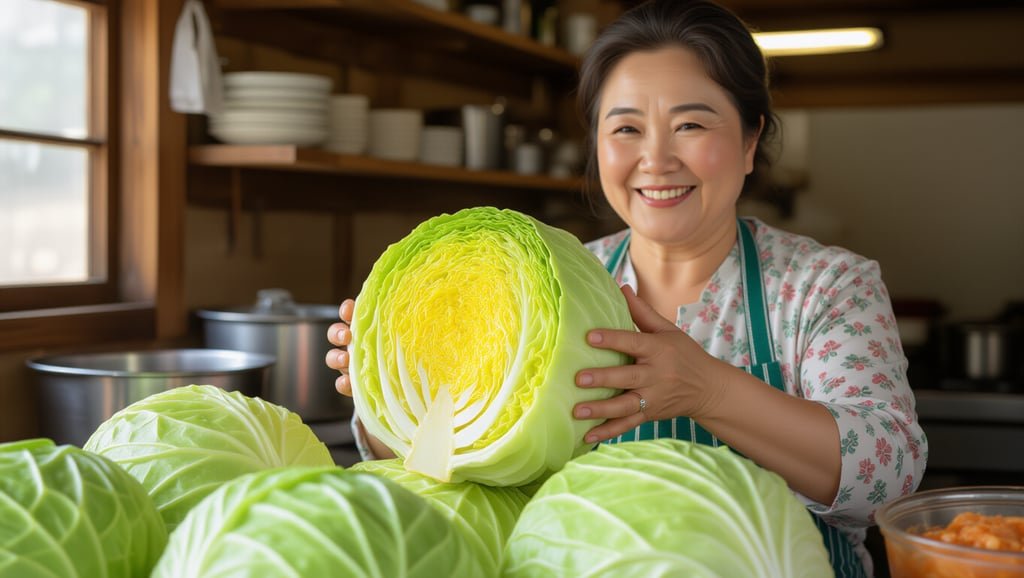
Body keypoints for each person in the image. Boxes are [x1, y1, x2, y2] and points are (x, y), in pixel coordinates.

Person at [326, 1, 927, 575]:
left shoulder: (824, 286)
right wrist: (392, 396)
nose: (656, 158)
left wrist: (708, 391)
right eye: (626, 128)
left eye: (690, 123)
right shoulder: (551, 285)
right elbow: (467, 480)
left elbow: (891, 474)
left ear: (750, 141)